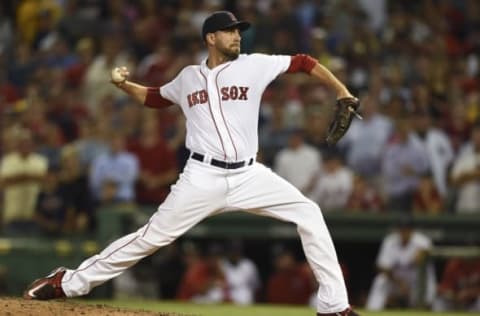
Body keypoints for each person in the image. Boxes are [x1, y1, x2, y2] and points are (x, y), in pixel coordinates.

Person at [24, 11, 359, 316]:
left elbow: (303, 62)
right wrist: (124, 85)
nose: (237, 37)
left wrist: (342, 91)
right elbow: (156, 97)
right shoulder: (187, 77)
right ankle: (67, 282)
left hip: (248, 174)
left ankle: (333, 307)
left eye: (238, 32)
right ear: (210, 38)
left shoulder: (254, 64)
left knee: (309, 214)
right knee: (150, 238)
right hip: (202, 176)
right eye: (229, 32)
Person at [365, 217, 436, 310]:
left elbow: (424, 260)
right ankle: (372, 310)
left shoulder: (422, 241)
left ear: (412, 230)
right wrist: (399, 283)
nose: (404, 231)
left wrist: (421, 255)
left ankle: (424, 309)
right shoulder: (390, 241)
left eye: (407, 229)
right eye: (402, 229)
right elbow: (381, 266)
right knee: (380, 281)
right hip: (396, 279)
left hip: (416, 280)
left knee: (427, 285)